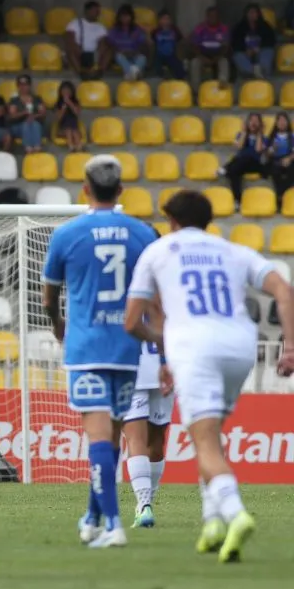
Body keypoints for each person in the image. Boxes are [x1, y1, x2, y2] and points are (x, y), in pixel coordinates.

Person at [124, 189, 294, 562]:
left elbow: (133, 321)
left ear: (172, 221)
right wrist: (291, 347)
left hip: (195, 347)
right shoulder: (232, 250)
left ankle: (235, 513)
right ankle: (212, 521)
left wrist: (164, 344)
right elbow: (283, 289)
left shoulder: (158, 251)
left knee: (205, 443)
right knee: (212, 436)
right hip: (241, 347)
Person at [42, 154, 158, 549]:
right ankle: (92, 517)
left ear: (85, 189)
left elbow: (49, 295)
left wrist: (57, 324)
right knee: (110, 437)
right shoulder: (143, 233)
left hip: (87, 347)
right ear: (122, 190)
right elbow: (154, 293)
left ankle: (113, 525)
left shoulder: (67, 234)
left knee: (97, 438)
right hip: (129, 348)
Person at [121, 230, 171, 529]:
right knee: (156, 442)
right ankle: (147, 503)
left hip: (135, 363)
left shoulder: (130, 278)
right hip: (165, 363)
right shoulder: (169, 278)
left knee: (135, 439)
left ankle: (144, 505)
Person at [219, 112, 267, 205]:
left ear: (260, 124)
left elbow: (258, 150)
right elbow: (239, 147)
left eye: (256, 121)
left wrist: (259, 133)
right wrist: (244, 132)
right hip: (240, 164)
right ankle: (238, 200)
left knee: (246, 157)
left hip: (255, 164)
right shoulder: (240, 135)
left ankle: (225, 168)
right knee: (234, 172)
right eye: (251, 120)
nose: (253, 123)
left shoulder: (264, 138)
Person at [65, 1, 111, 79]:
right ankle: (81, 73)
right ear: (87, 11)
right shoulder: (74, 24)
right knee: (70, 50)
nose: (97, 13)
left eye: (98, 11)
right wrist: (77, 49)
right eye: (95, 10)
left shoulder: (101, 27)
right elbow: (70, 40)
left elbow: (102, 44)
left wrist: (98, 55)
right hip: (79, 53)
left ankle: (98, 72)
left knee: (110, 50)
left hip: (94, 55)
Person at [230, 3, 277, 79]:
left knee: (268, 51)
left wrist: (259, 48)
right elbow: (235, 43)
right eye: (250, 13)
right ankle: (253, 72)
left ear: (258, 14)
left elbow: (271, 41)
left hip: (261, 50)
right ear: (246, 14)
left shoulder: (265, 26)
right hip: (245, 52)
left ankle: (262, 70)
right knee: (237, 56)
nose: (252, 15)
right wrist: (246, 50)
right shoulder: (239, 27)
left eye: (254, 12)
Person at [189, 6, 231, 89]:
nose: (212, 18)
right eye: (210, 16)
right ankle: (196, 90)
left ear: (218, 17)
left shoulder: (224, 29)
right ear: (207, 17)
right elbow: (195, 46)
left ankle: (222, 86)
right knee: (194, 63)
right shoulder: (200, 28)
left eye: (215, 16)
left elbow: (226, 47)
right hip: (203, 56)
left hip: (218, 56)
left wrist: (217, 57)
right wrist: (202, 57)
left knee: (224, 62)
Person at [106, 4, 148, 81]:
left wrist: (135, 52)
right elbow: (110, 44)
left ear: (131, 17)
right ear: (119, 17)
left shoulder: (137, 29)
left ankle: (131, 74)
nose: (125, 19)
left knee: (142, 58)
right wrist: (121, 51)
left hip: (134, 54)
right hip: (121, 54)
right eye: (123, 16)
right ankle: (135, 73)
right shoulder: (114, 30)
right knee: (119, 57)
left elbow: (141, 43)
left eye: (127, 16)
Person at [7, 74, 46, 154]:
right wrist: (24, 113)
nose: (23, 87)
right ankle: (28, 149)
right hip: (18, 126)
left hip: (34, 125)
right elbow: (12, 115)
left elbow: (43, 113)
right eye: (21, 85)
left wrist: (33, 116)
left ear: (29, 85)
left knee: (34, 124)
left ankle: (36, 148)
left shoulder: (37, 99)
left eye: (25, 85)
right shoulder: (14, 100)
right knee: (26, 124)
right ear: (18, 86)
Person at [150, 9, 185, 79]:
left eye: (167, 19)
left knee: (177, 65)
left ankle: (181, 81)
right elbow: (151, 41)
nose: (165, 21)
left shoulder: (175, 31)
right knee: (156, 66)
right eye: (163, 19)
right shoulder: (155, 32)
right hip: (159, 55)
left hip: (171, 54)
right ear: (159, 21)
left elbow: (181, 41)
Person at [268, 112, 294, 201]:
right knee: (275, 169)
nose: (282, 123)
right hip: (275, 160)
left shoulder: (292, 136)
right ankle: (280, 195)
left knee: (291, 169)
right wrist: (273, 149)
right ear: (276, 123)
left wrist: (289, 158)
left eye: (284, 120)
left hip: (289, 159)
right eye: (280, 120)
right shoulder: (272, 137)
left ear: (287, 122)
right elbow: (268, 153)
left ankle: (284, 193)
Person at [54, 80, 83, 153]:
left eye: (68, 90)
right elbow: (59, 118)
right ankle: (73, 146)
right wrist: (63, 109)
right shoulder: (58, 103)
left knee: (72, 126)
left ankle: (77, 146)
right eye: (64, 90)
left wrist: (70, 103)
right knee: (68, 127)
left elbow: (77, 113)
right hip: (62, 128)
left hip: (75, 127)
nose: (66, 92)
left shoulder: (75, 102)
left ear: (72, 91)